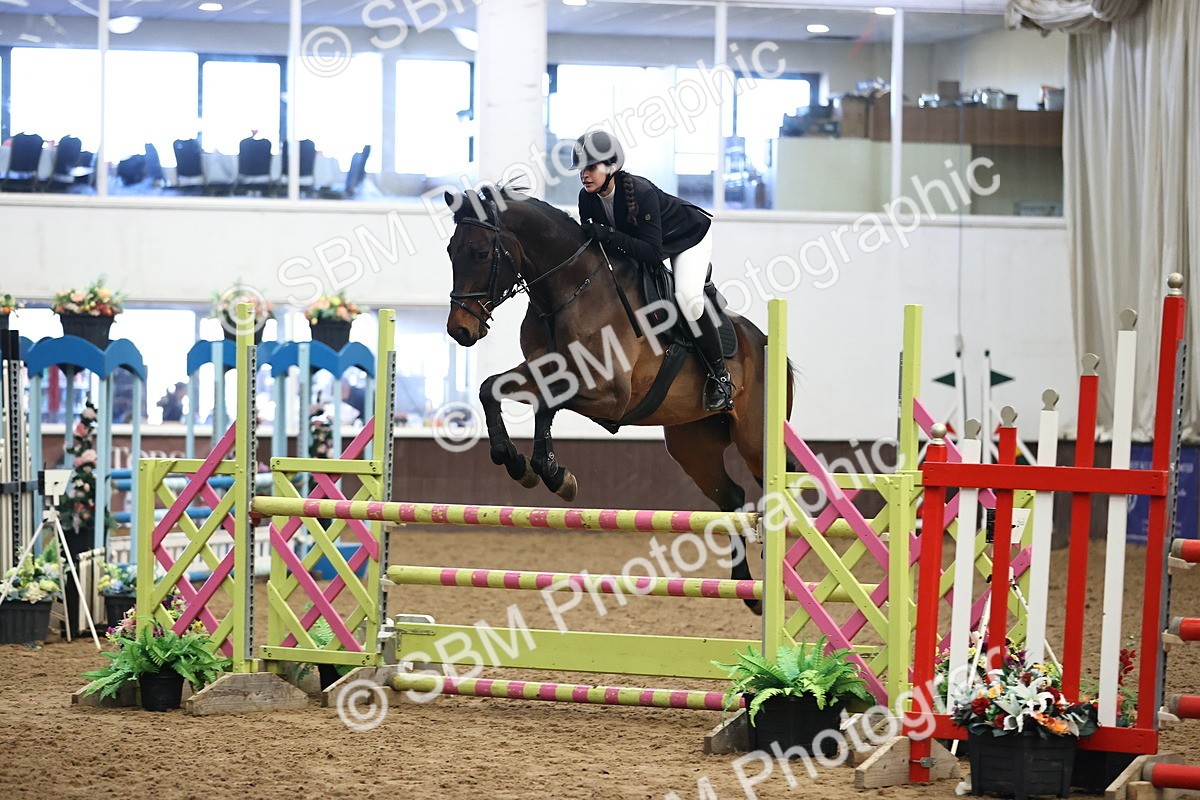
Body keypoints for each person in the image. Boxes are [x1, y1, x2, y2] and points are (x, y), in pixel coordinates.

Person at [572, 130, 733, 413]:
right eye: (581, 169)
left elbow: (653, 253)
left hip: (688, 238)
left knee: (686, 299)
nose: (584, 175)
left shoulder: (641, 192)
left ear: (612, 167)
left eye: (591, 167)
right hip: (650, 246)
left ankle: (720, 376)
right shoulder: (587, 199)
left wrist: (608, 234)